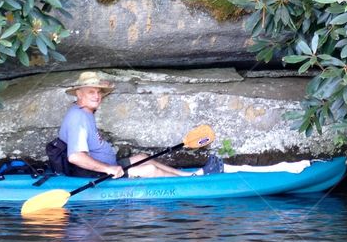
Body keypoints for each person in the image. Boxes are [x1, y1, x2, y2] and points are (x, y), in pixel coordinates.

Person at [58, 71, 224, 179]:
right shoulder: (78, 118)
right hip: (94, 174)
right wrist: (108, 169)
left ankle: (189, 176)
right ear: (79, 94)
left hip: (107, 166)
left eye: (98, 92)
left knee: (143, 158)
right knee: (150, 170)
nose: (97, 96)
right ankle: (189, 184)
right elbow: (75, 157)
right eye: (91, 92)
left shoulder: (85, 112)